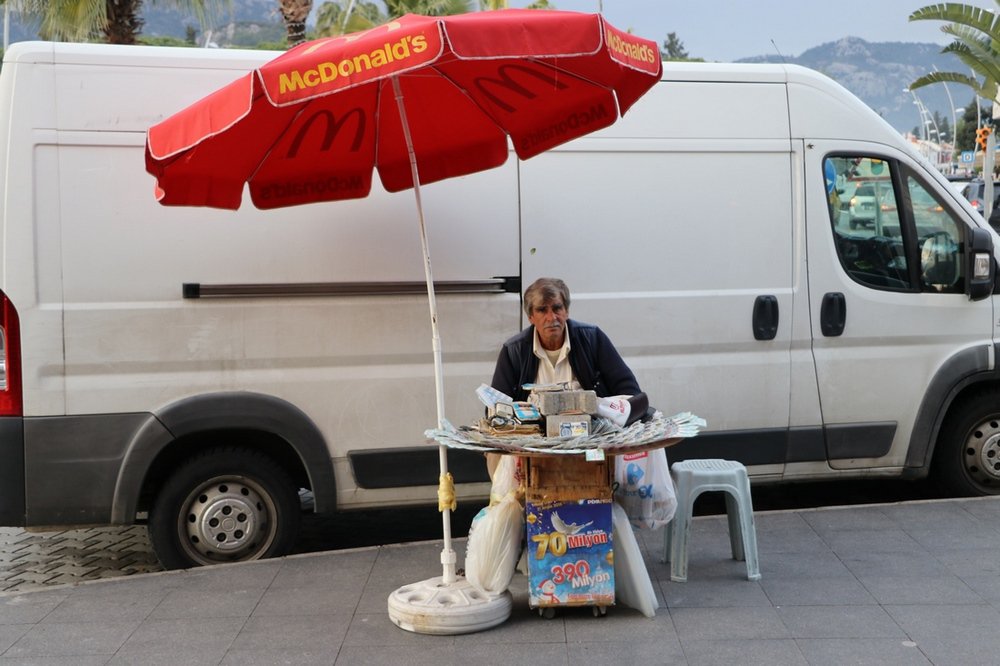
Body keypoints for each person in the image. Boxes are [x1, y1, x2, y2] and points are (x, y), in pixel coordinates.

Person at [491, 277, 646, 407]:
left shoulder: (592, 339)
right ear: (530, 317)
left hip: (591, 430)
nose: (551, 318)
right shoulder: (513, 351)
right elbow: (496, 408)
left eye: (557, 308)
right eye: (542, 310)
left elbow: (631, 394)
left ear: (566, 311)